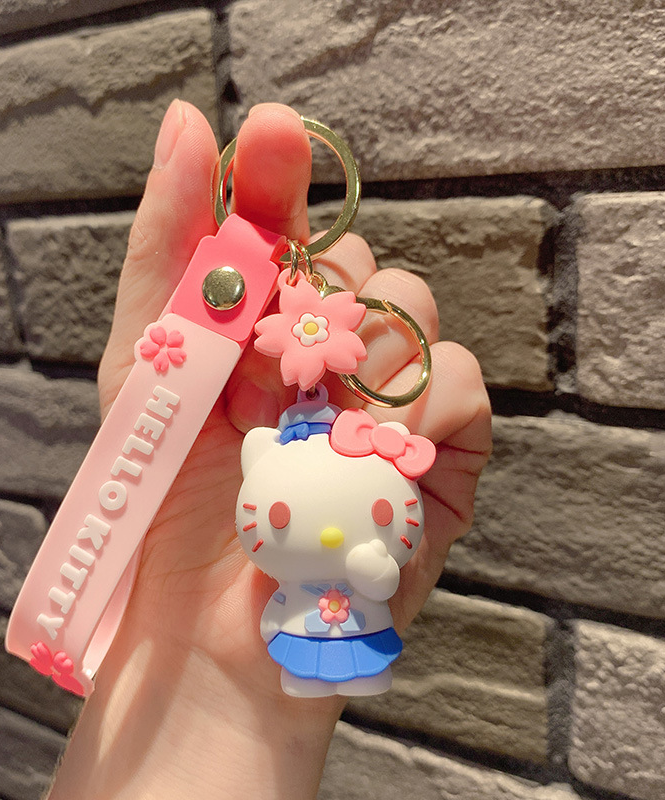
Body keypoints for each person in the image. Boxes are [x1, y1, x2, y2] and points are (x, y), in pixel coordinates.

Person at [46, 101, 492, 799]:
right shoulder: (262, 476)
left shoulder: (327, 477)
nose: (333, 534)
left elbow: (373, 574)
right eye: (277, 517)